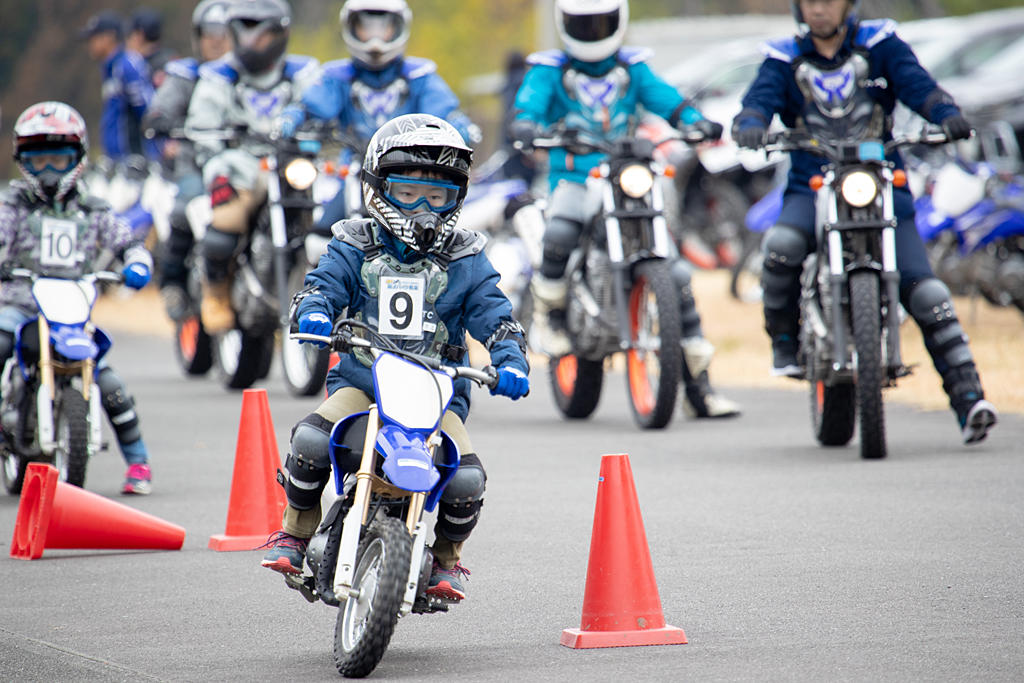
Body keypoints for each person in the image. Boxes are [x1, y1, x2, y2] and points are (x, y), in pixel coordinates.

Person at [260, 114, 530, 602]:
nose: (424, 208)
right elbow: (319, 287)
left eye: (439, 195)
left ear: (458, 197)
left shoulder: (467, 256)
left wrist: (510, 360)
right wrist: (316, 314)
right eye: (408, 193)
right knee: (311, 440)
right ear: (379, 188)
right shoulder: (354, 243)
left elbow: (498, 317)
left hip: (437, 394)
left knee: (466, 478)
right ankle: (295, 534)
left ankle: (447, 562)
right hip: (362, 382)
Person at [731, 0, 998, 444]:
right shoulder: (782, 56)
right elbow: (758, 100)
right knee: (780, 249)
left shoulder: (881, 45)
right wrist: (750, 123)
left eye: (829, 0)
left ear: (848, 5)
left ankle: (969, 398)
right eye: (810, 2)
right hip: (811, 185)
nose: (819, 10)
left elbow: (918, 85)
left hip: (883, 186)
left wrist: (945, 113)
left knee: (924, 287)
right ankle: (784, 342)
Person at [509, 0, 740, 419]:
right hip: (575, 177)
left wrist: (692, 119)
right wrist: (527, 124)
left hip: (628, 174)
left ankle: (699, 389)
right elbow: (530, 102)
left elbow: (666, 99)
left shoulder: (633, 67)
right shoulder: (551, 69)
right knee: (561, 230)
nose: (594, 31)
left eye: (601, 22)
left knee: (676, 271)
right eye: (584, 23)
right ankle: (554, 318)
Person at [0, 102, 156, 494]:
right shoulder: (14, 205)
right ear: (23, 162)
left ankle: (138, 463)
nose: (50, 170)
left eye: (59, 159)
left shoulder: (93, 208)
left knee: (108, 380)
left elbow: (127, 241)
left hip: (71, 310)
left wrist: (137, 262)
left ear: (78, 158)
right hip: (20, 304)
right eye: (39, 161)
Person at [276, 0, 480, 235]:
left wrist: (460, 125)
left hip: (409, 172)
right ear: (351, 27)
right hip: (354, 170)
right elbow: (313, 106)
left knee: (443, 233)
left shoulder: (419, 76)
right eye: (366, 27)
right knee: (321, 234)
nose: (375, 37)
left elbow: (444, 111)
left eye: (383, 27)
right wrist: (293, 116)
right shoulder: (337, 76)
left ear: (399, 26)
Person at [185, 0, 320, 334]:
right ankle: (215, 292)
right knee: (227, 216)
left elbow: (320, 108)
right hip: (242, 164)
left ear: (280, 34)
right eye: (244, 33)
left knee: (331, 211)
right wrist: (214, 158)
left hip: (293, 163)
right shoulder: (218, 75)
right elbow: (202, 126)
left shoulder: (303, 72)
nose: (252, 42)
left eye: (261, 34)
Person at [143, 0, 233, 322]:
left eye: (225, 32)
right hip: (195, 163)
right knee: (186, 206)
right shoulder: (185, 74)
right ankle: (173, 283)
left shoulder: (246, 76)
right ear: (198, 36)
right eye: (210, 33)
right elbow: (159, 110)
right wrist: (163, 122)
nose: (218, 40)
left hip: (241, 165)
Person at [80, 10, 158, 162]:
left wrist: (150, 156)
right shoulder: (110, 68)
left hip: (133, 161)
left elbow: (147, 112)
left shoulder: (126, 65)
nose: (90, 44)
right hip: (115, 160)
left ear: (108, 37)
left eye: (94, 38)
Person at [127, 8, 179, 89]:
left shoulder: (137, 66)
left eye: (131, 35)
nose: (128, 41)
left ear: (140, 35)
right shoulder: (172, 59)